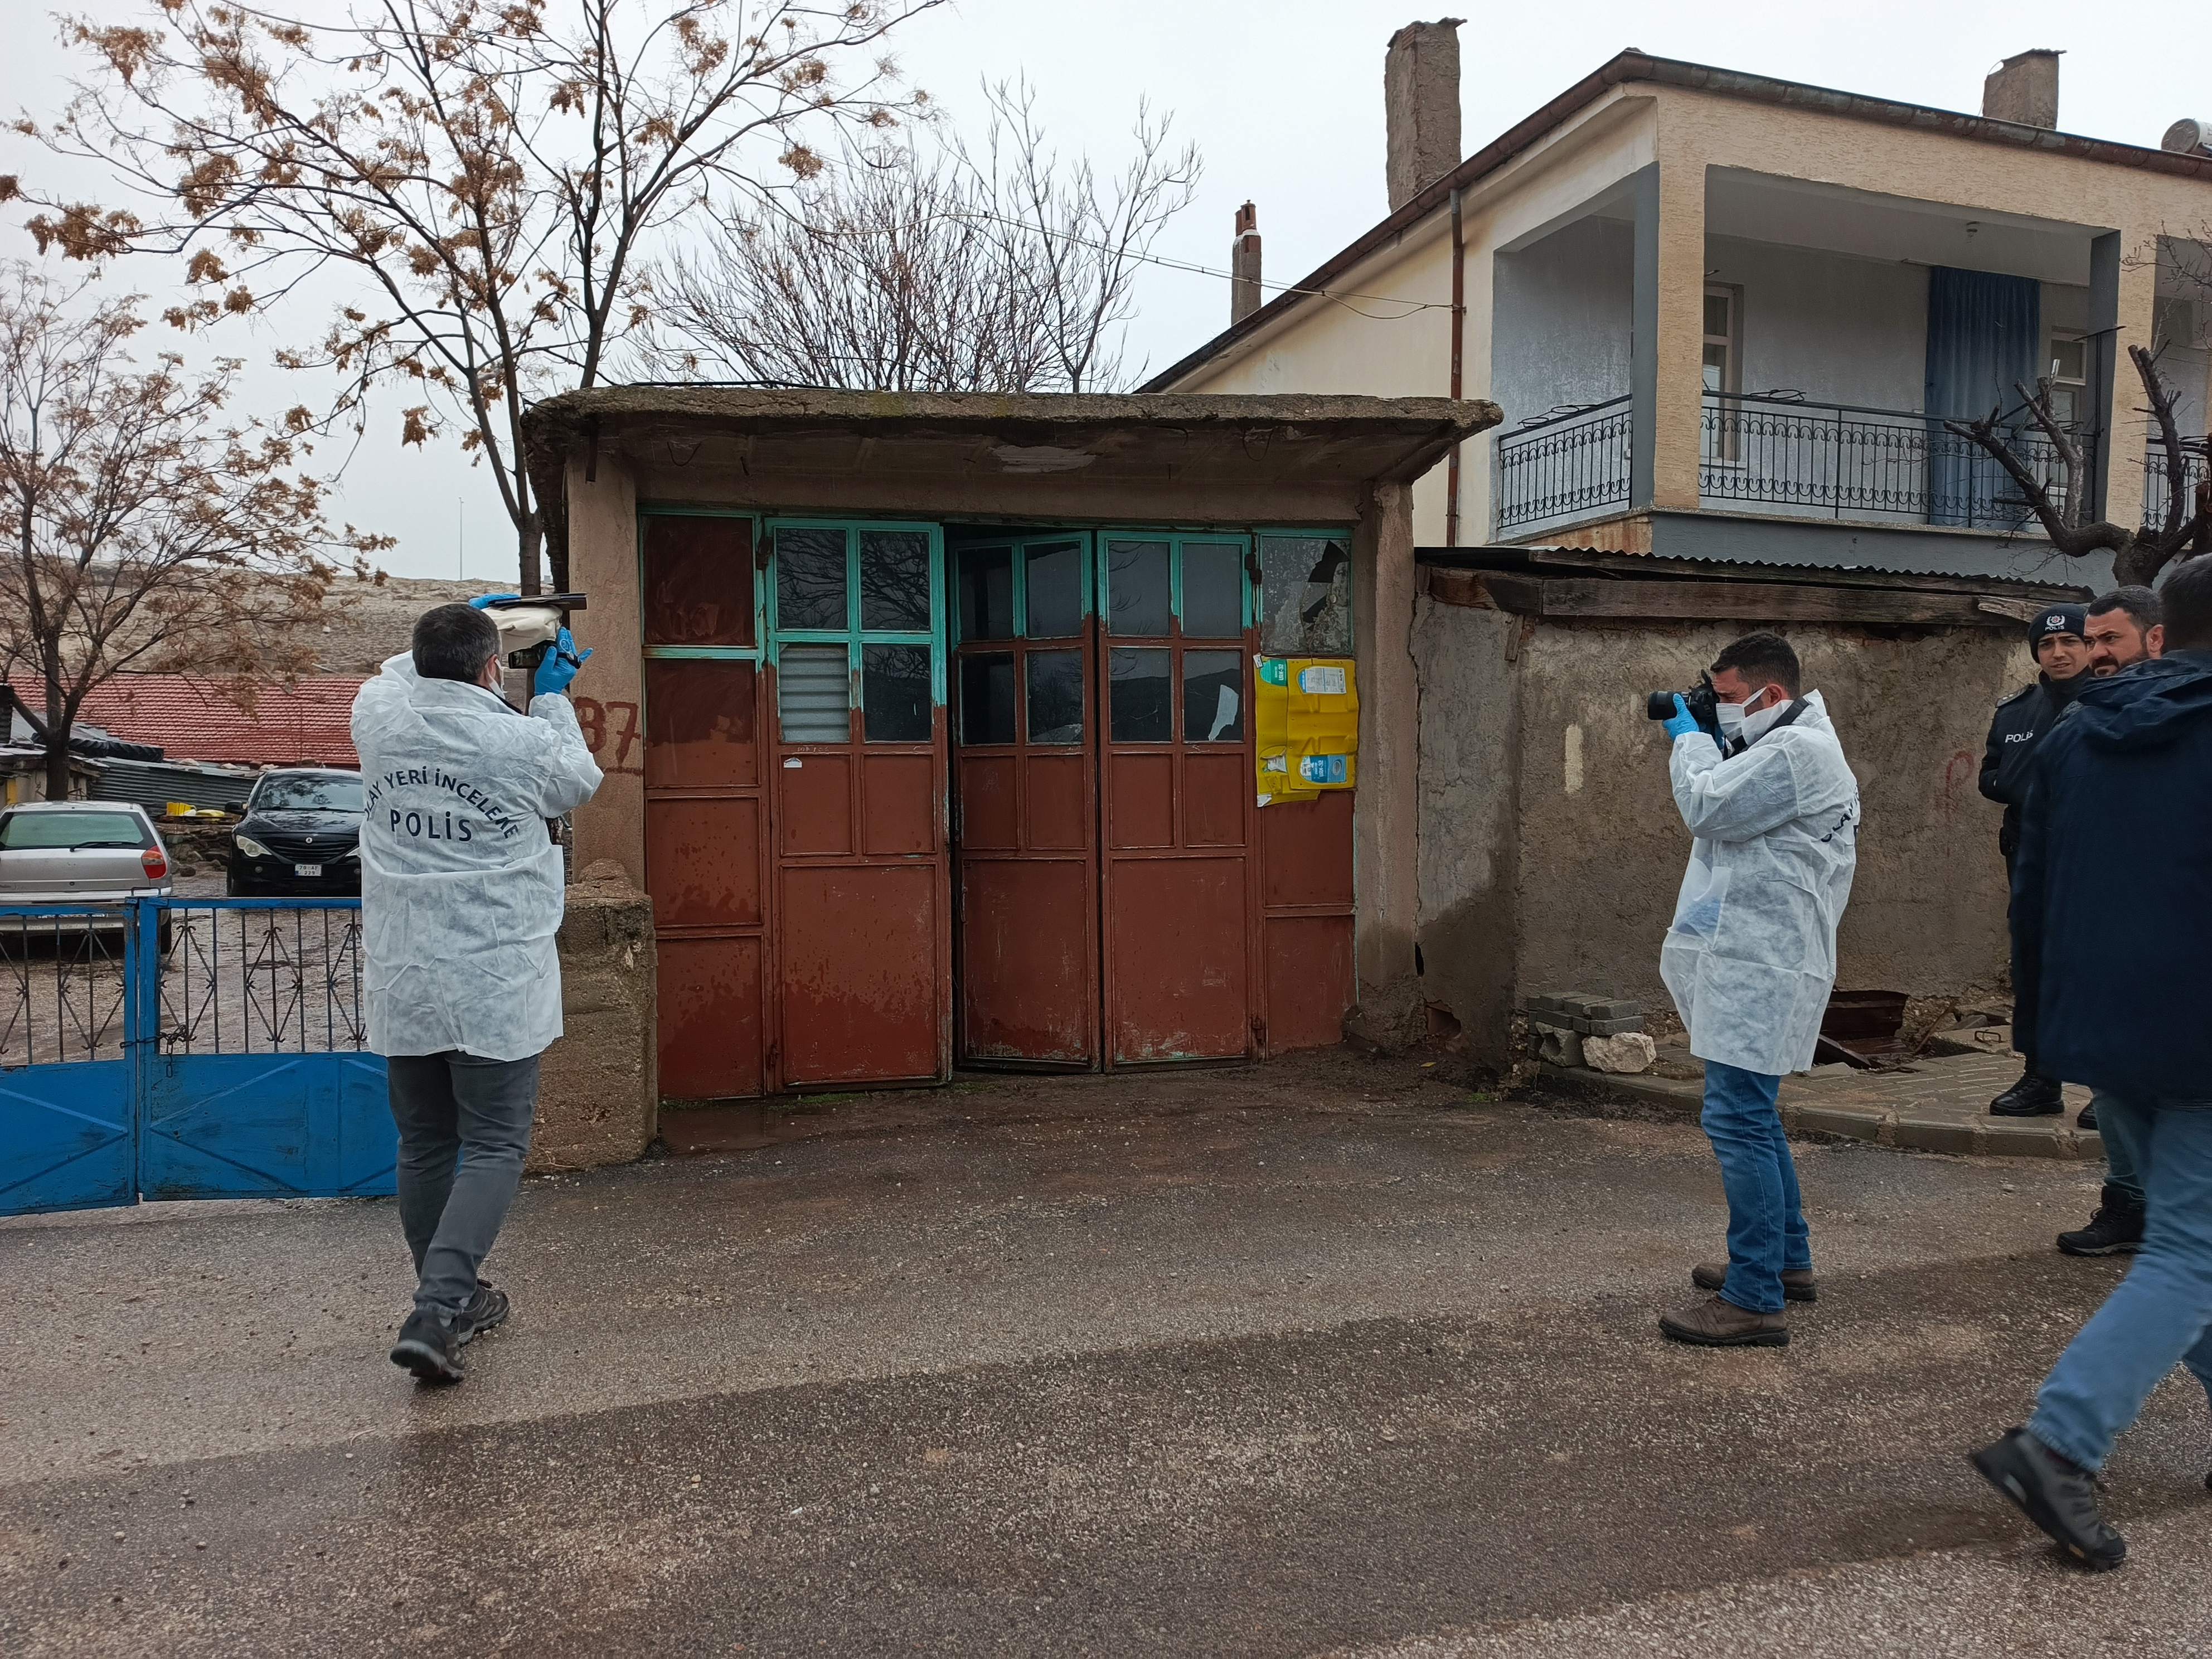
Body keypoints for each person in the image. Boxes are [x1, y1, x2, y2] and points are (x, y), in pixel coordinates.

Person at [1970, 556, 2212, 1571]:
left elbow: (2034, 877)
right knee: (2189, 1249)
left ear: (2164, 631)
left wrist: (2048, 1025)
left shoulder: (2076, 732)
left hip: (2103, 1024)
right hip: (2199, 1030)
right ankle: (2057, 1442)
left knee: (2188, 1244)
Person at [352, 599, 601, 1384]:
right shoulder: (521, 742)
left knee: (425, 1143)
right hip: (493, 978)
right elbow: (579, 780)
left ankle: (448, 1299)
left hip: (406, 975)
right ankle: (438, 1308)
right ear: (493, 668)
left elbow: (394, 675)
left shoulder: (379, 721)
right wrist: (553, 692)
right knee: (492, 1144)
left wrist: (463, 629)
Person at [1655, 631, 1860, 1347]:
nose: (1722, 710)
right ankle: (1786, 1263)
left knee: (1737, 1121)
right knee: (1754, 1116)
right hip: (1756, 960)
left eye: (1729, 697)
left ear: (1772, 695)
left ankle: (1752, 1297)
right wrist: (1713, 732)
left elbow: (1709, 808)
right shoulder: (1782, 746)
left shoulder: (1797, 753)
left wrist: (1688, 737)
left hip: (1763, 966)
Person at [2049, 586, 2164, 1257]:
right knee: (2111, 1083)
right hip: (2101, 929)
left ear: (2154, 638)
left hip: (2166, 934)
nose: (2094, 654)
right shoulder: (2083, 718)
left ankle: (2166, 1213)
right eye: (2089, 641)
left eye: (2106, 640)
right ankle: (2129, 1204)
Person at [1978, 604, 2090, 1119]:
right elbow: (1991, 776)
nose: (2059, 652)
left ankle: (2112, 1092)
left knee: (2097, 966)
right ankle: (2042, 1080)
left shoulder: (2109, 700)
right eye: (2047, 645)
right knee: (2036, 968)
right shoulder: (2017, 709)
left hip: (2094, 853)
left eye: (2070, 641)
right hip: (2029, 852)